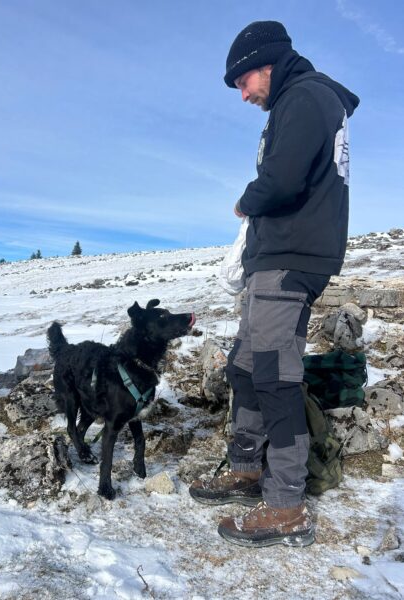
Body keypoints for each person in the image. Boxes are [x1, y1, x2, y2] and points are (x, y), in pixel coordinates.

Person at [189, 20, 359, 547]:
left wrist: (247, 201)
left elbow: (283, 179)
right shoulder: (296, 101)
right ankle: (247, 470)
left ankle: (286, 504)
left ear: (267, 64)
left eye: (242, 82)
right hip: (273, 259)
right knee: (245, 366)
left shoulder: (306, 97)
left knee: (274, 376)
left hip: (291, 256)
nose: (242, 95)